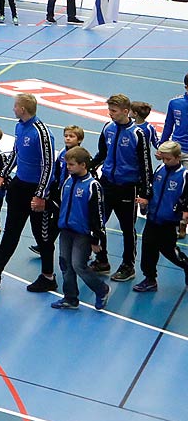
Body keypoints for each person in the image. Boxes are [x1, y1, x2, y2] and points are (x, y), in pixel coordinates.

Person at [0, 93, 56, 293]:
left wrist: (40, 194)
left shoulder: (41, 133)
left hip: (36, 190)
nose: (13, 109)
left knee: (41, 235)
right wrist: (3, 174)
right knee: (11, 232)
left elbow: (49, 165)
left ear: (23, 109)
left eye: (15, 106)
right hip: (19, 186)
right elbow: (16, 153)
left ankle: (48, 276)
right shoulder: (20, 126)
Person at [91, 92, 153, 281]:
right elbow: (102, 154)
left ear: (126, 111)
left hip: (128, 187)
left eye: (114, 111)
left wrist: (145, 193)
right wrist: (89, 168)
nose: (110, 114)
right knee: (97, 223)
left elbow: (145, 164)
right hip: (107, 184)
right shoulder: (107, 128)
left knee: (128, 228)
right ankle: (102, 260)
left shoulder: (137, 134)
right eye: (109, 110)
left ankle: (128, 266)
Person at [52, 146, 109, 312]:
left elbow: (98, 215)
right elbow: (62, 205)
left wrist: (96, 239)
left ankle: (101, 289)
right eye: (67, 164)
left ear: (83, 165)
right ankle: (70, 298)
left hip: (82, 233)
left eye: (71, 164)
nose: (68, 168)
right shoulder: (68, 182)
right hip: (66, 230)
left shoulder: (93, 186)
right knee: (65, 264)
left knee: (78, 265)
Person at [136, 139, 188, 293]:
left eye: (168, 159)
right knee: (147, 248)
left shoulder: (184, 175)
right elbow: (152, 191)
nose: (165, 161)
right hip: (153, 218)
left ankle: (186, 265)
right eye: (163, 158)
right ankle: (150, 279)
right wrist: (145, 203)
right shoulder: (160, 169)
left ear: (178, 157)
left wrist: (184, 211)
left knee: (169, 251)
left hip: (168, 221)